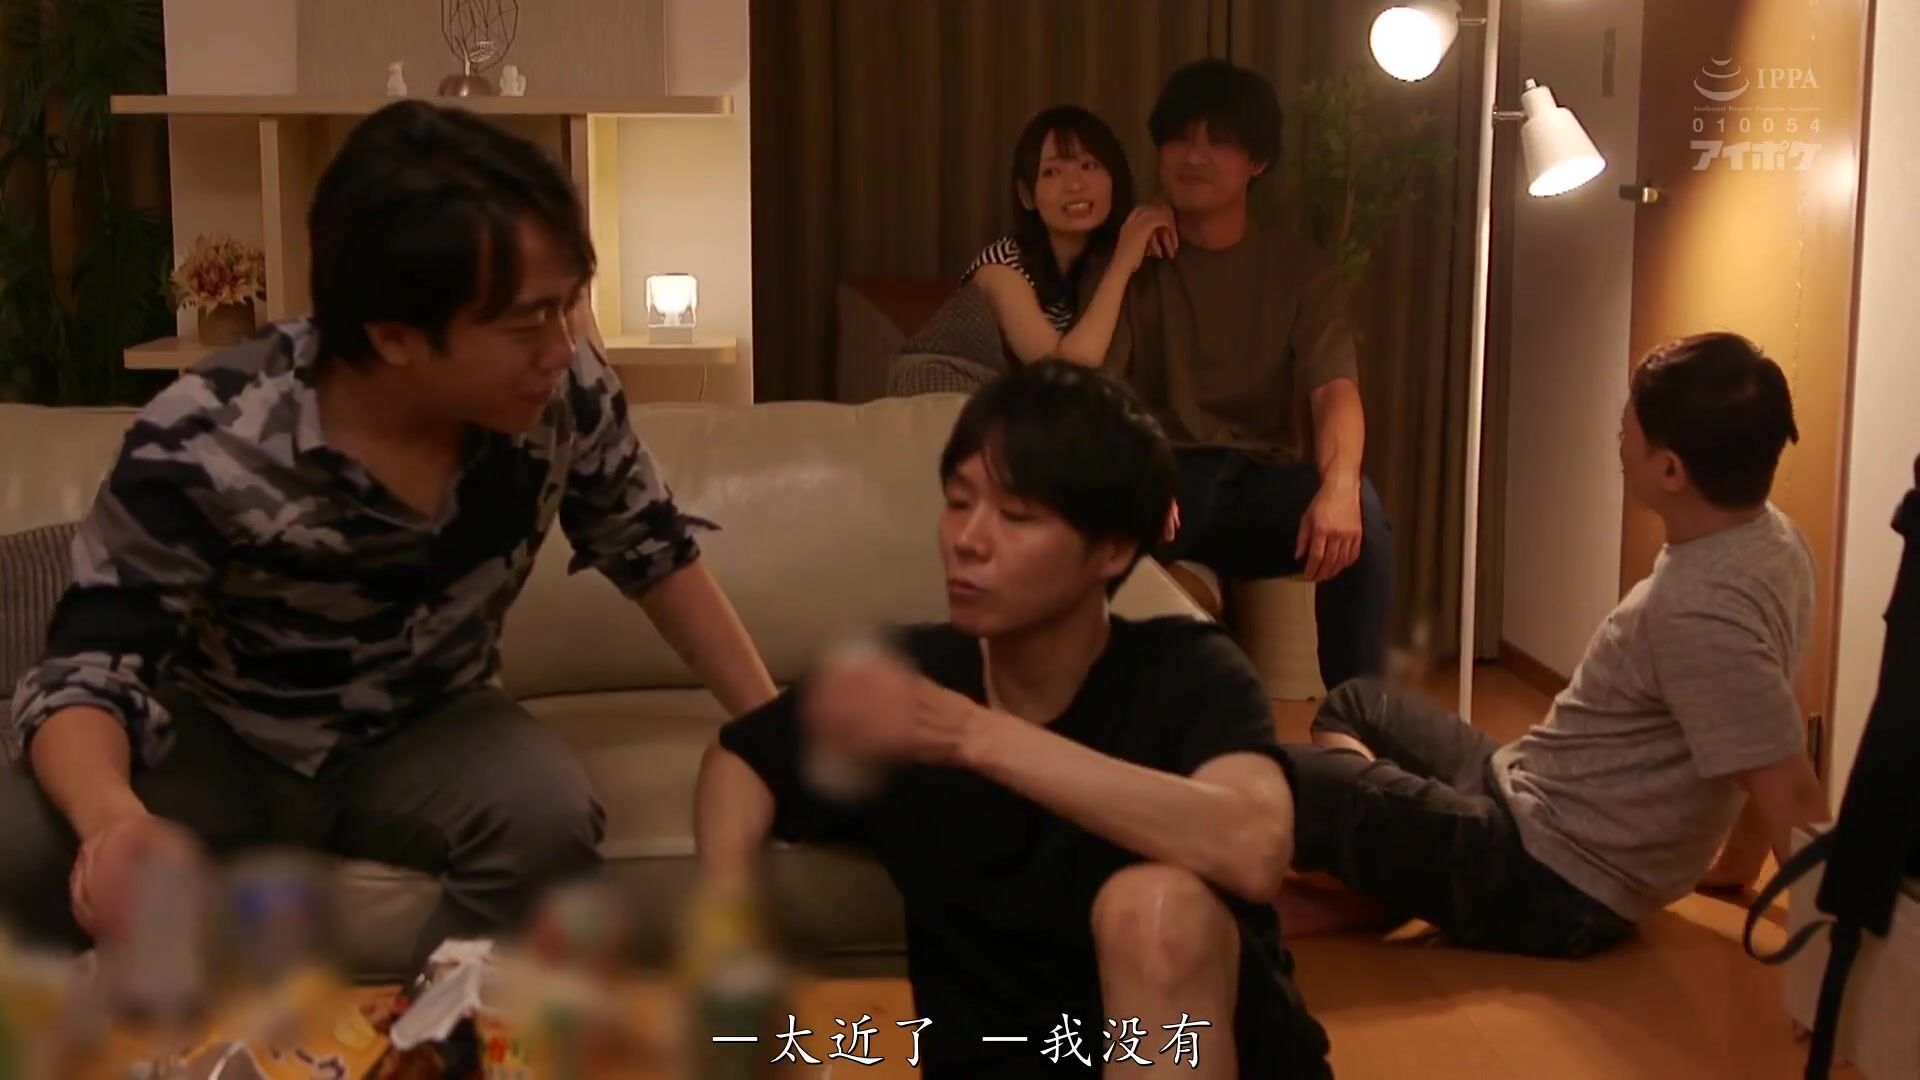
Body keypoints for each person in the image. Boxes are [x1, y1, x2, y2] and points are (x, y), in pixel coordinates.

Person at [0, 101, 777, 967]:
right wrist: (114, 822)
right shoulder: (206, 433)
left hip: (432, 718)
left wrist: (777, 732)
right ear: (395, 337)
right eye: (527, 322)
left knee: (545, 820)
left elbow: (655, 552)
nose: (563, 349)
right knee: (21, 839)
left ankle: (444, 1027)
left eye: (571, 307)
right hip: (222, 729)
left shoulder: (565, 398)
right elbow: (87, 666)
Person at [695, 361, 1331, 1078]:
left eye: (1017, 516)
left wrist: (978, 737)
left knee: (1152, 909)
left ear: (1114, 548)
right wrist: (728, 927)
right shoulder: (910, 676)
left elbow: (1254, 845)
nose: (968, 538)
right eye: (958, 502)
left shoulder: (1187, 673)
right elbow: (741, 759)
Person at [1275, 332, 1832, 964]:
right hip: (1533, 791)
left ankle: (1392, 883)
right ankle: (1394, 882)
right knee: (1353, 704)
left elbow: (1789, 787)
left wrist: (1838, 972)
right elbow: (1774, 716)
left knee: (1281, 772)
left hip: (1549, 879)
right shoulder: (1777, 542)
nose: (1621, 427)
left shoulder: (1697, 609)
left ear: (1671, 470)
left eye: (1632, 418)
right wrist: (1737, 869)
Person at [1107, 58, 1390, 687]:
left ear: (1257, 162)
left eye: (1220, 142)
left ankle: (1355, 725)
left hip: (1256, 484)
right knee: (1086, 521)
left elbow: (1334, 390)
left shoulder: (1299, 268)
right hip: (1165, 477)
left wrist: (1339, 485)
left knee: (1364, 518)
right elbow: (1096, 392)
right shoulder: (1133, 260)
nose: (1194, 156)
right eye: (1180, 138)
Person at [963, 105, 1175, 368]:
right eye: (1052, 172)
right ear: (1026, 195)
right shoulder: (1000, 269)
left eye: (1089, 165)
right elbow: (1064, 373)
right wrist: (1122, 263)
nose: (1075, 185)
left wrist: (1162, 211)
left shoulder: (1100, 259)